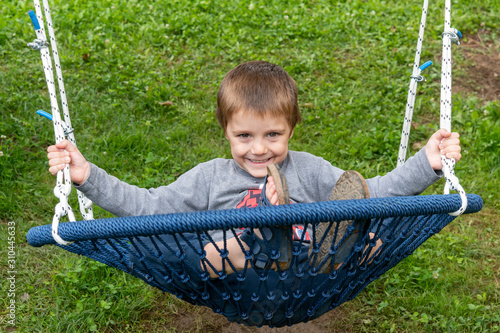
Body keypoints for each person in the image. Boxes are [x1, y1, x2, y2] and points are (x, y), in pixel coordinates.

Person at [46, 61, 461, 279]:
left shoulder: (309, 170)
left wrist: (427, 164)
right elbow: (150, 206)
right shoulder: (211, 177)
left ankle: (312, 248)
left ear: (292, 129)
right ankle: (264, 233)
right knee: (212, 251)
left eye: (273, 136)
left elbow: (372, 190)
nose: (260, 150)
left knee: (363, 228)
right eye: (244, 136)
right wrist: (88, 177)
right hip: (235, 270)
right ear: (225, 131)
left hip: (305, 267)